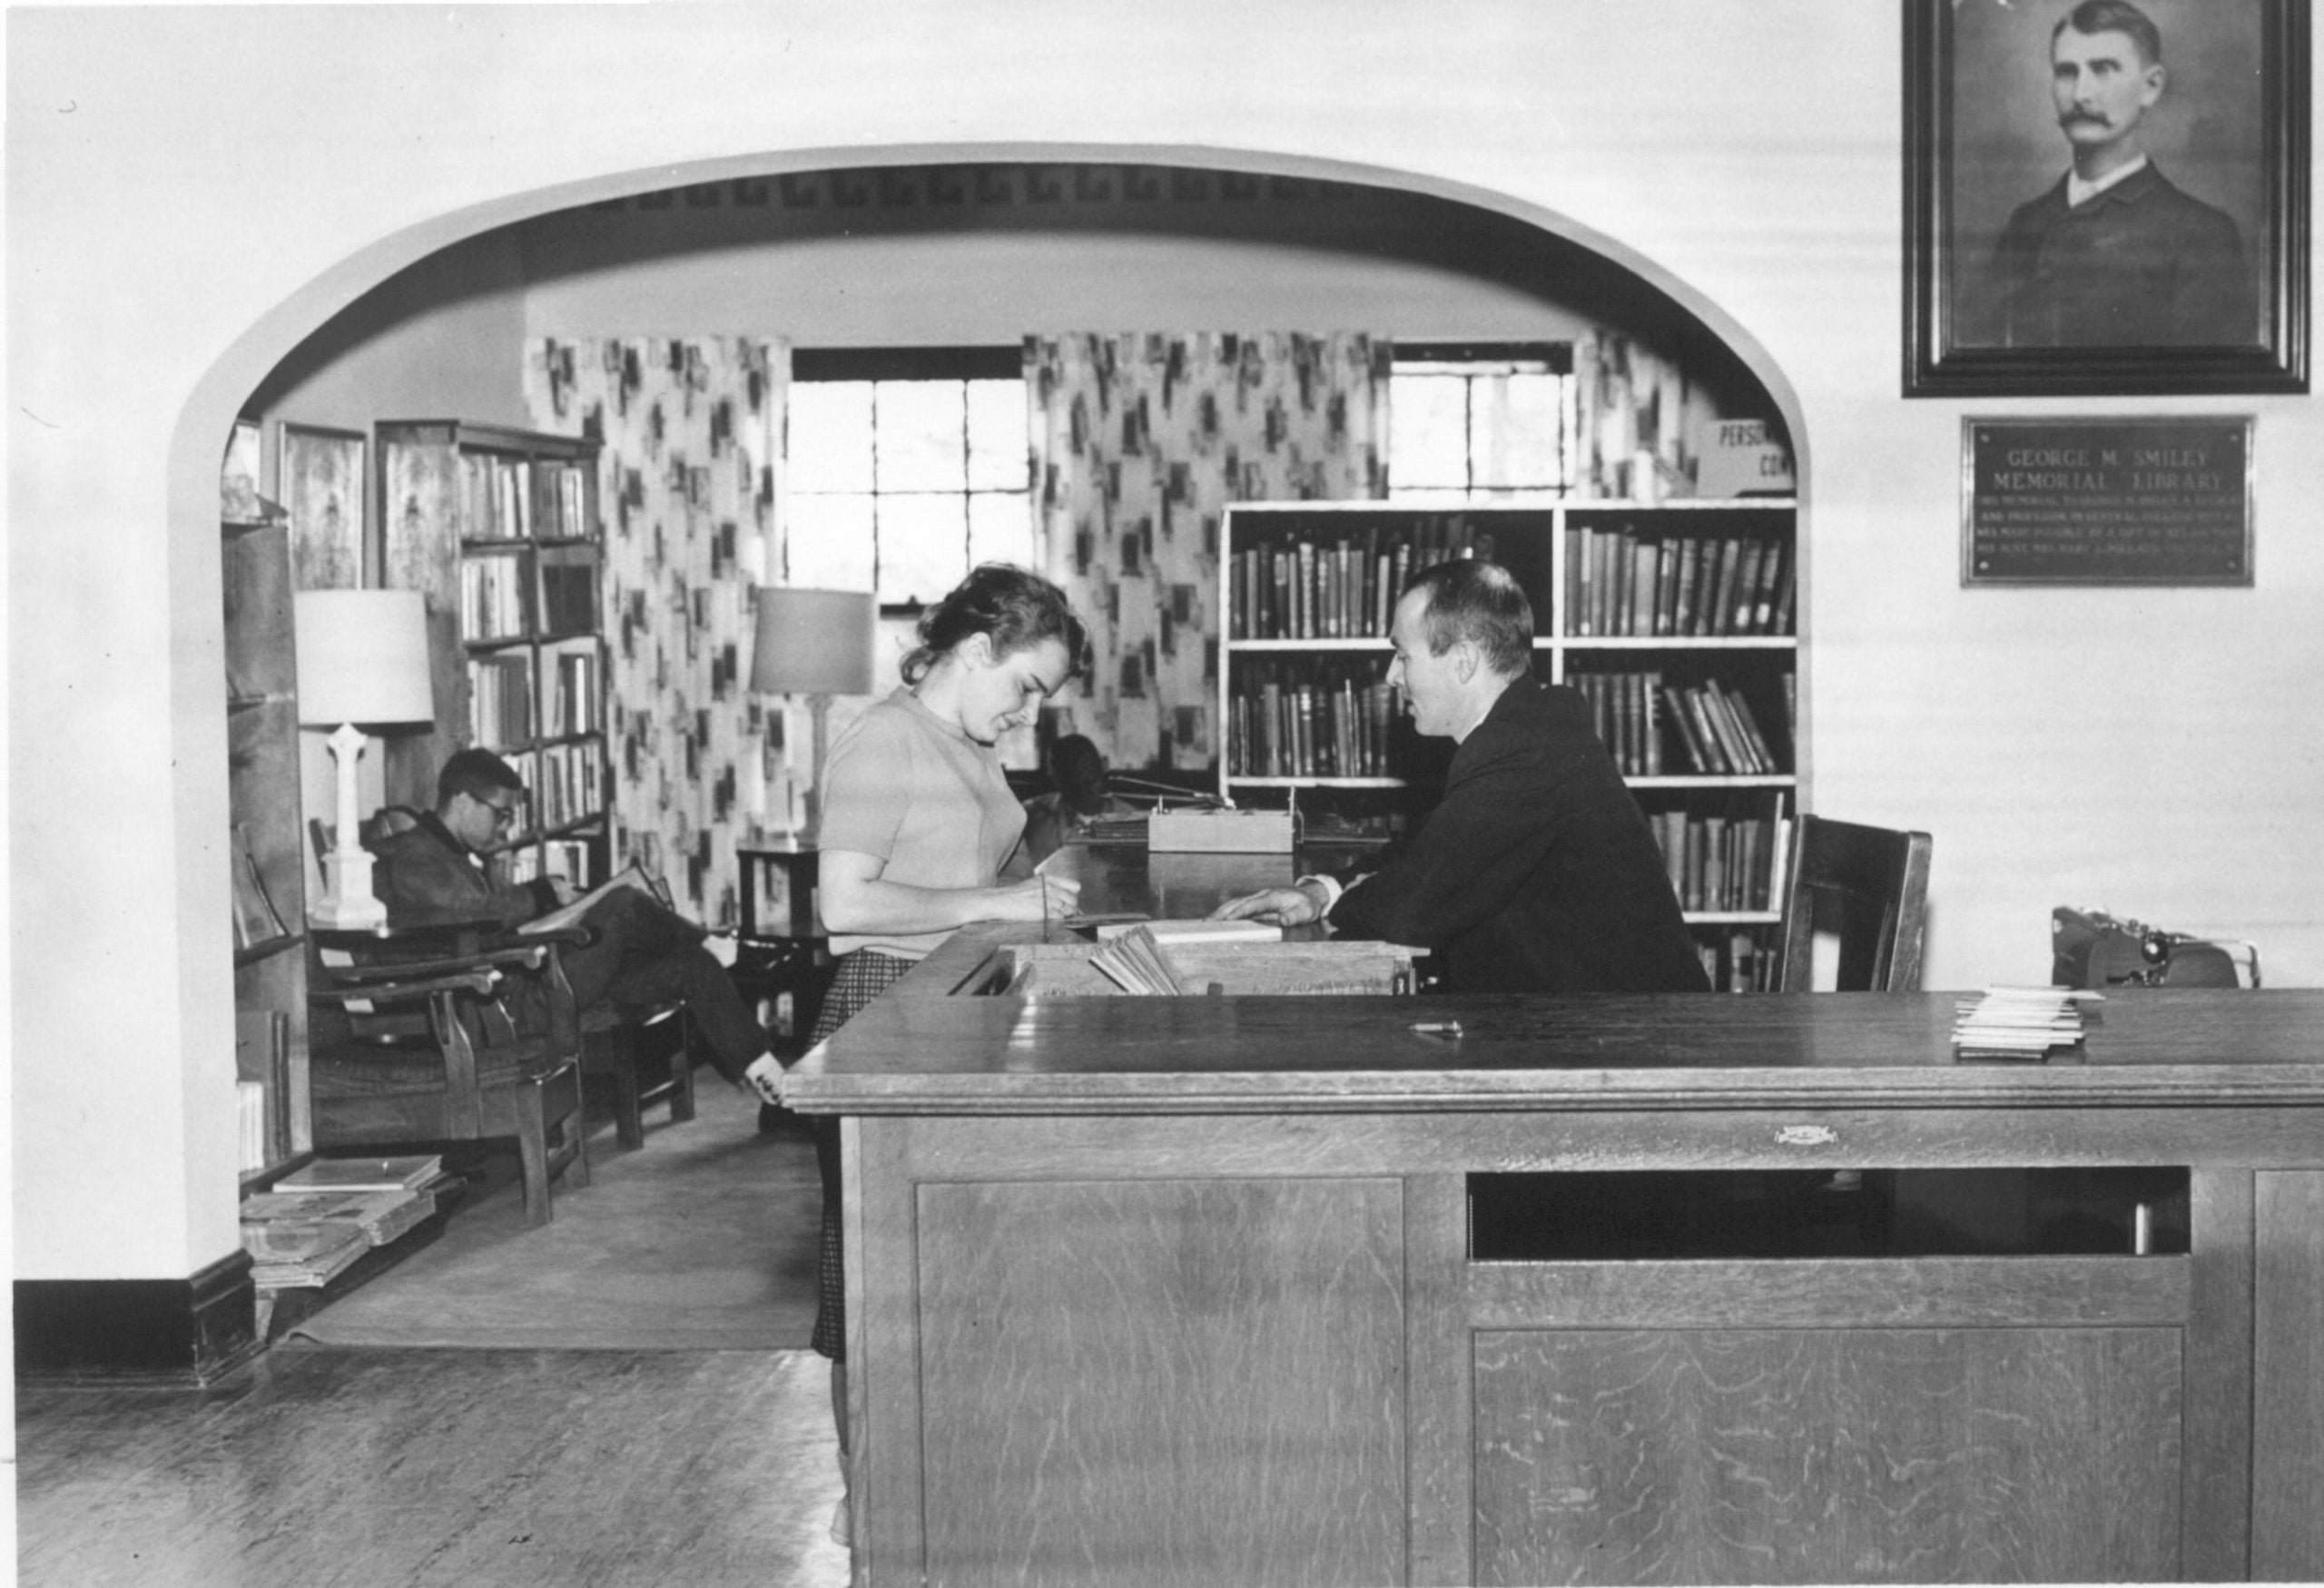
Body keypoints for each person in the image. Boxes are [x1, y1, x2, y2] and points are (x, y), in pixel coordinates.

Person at [803, 562, 1087, 1545]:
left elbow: (973, 862)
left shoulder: (961, 739)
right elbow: (843, 909)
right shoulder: (884, 738)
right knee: (876, 1273)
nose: (1027, 714)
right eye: (1024, 688)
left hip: (960, 1005)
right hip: (885, 1009)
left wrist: (1038, 880)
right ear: (973, 652)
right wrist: (999, 903)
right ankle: (869, 1507)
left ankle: (947, 1485)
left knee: (957, 1261)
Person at [1211, 558, 1709, 995]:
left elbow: (1411, 905)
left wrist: (1332, 902)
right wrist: (1320, 892)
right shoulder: (1528, 727)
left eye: (1404, 655)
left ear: (1464, 661)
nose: (1391, 676)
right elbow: (1431, 853)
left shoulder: (1522, 753)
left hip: (1634, 1049)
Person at [369, 747, 785, 1105]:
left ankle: (766, 1073)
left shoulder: (451, 854)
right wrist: (544, 893)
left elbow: (486, 916)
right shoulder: (416, 856)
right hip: (509, 1004)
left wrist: (561, 909)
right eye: (500, 815)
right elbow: (473, 914)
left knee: (691, 964)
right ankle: (715, 942)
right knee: (622, 904)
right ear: (462, 801)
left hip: (531, 981)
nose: (504, 828)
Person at [1978, 0, 2253, 348]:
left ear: (2150, 87)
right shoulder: (2025, 223)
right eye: (2066, 72)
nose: (2081, 95)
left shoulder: (2202, 235)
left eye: (2103, 69)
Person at [1018, 733, 1137, 864]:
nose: (1084, 792)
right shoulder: (1036, 819)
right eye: (1074, 786)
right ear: (1058, 781)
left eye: (1090, 782)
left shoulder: (1132, 821)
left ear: (1103, 768)